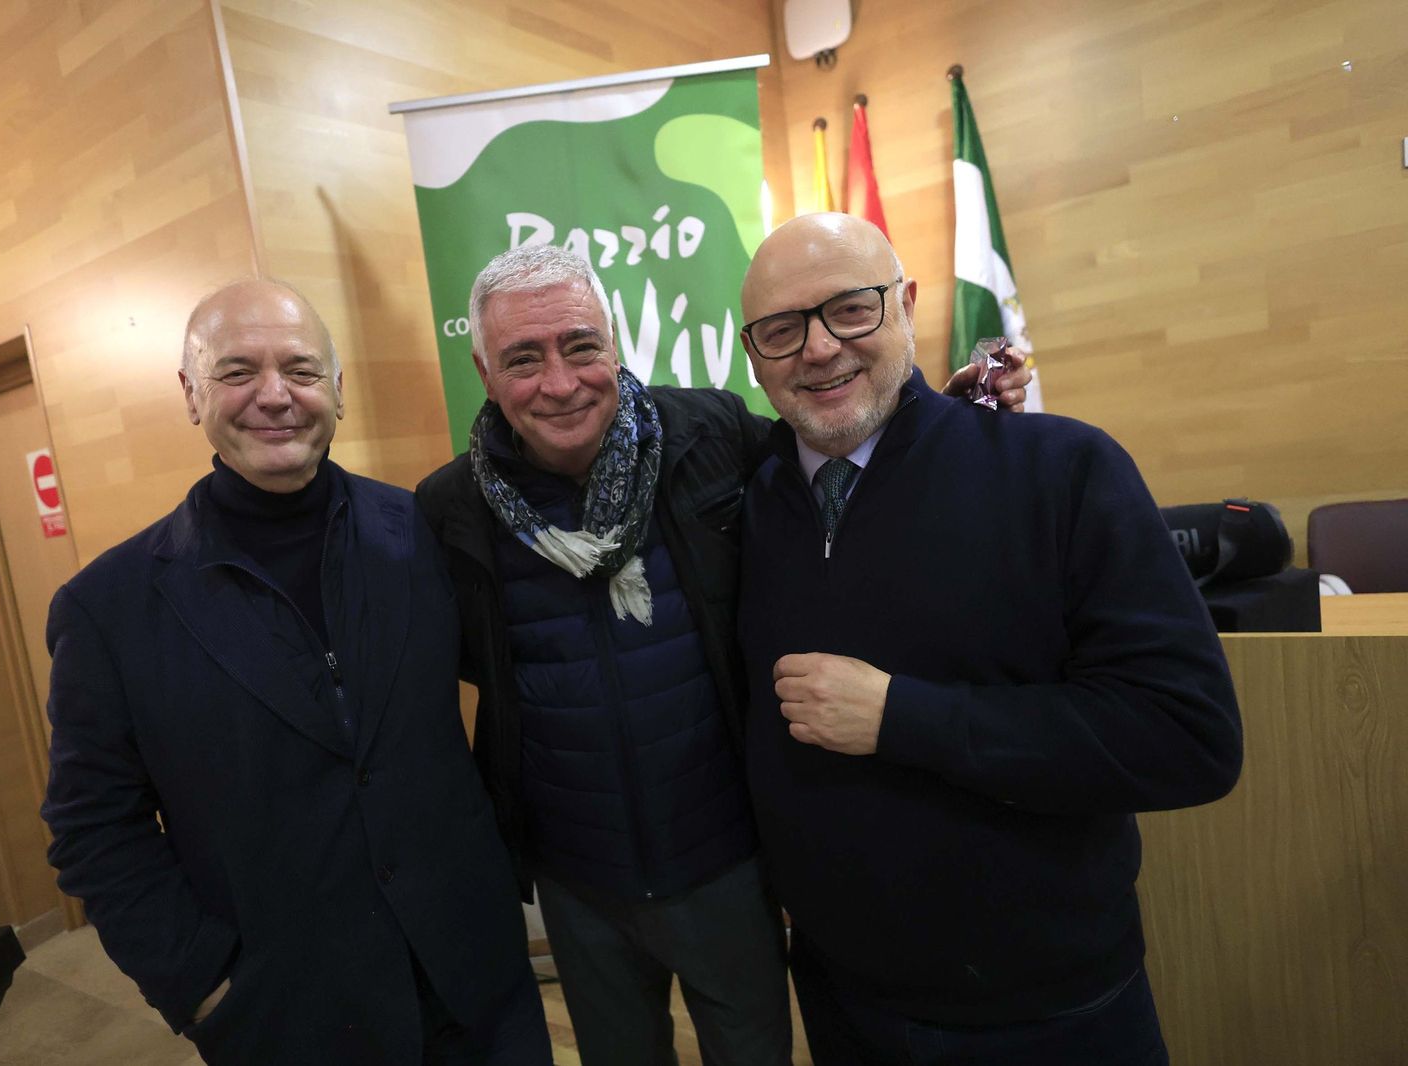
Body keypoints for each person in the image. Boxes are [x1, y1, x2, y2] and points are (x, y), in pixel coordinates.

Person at [414, 245, 1030, 1066]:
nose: (559, 383)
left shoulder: (708, 434)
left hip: (725, 864)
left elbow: (841, 451)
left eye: (581, 346)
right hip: (576, 881)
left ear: (614, 342)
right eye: (523, 359)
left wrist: (944, 415)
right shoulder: (447, 511)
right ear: (485, 372)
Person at [735, 213, 1243, 1065]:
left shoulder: (1061, 470)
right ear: (752, 354)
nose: (817, 349)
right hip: (839, 1001)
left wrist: (904, 717)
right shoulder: (746, 502)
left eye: (851, 309)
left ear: (906, 304)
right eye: (781, 329)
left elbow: (1188, 737)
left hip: (1047, 1015)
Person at [39, 279, 548, 1066]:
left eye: (302, 371)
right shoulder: (107, 609)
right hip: (289, 1018)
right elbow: (92, 829)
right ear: (190, 394)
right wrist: (201, 984)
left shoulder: (423, 530)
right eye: (238, 371)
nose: (275, 396)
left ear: (338, 392)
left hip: (479, 986)